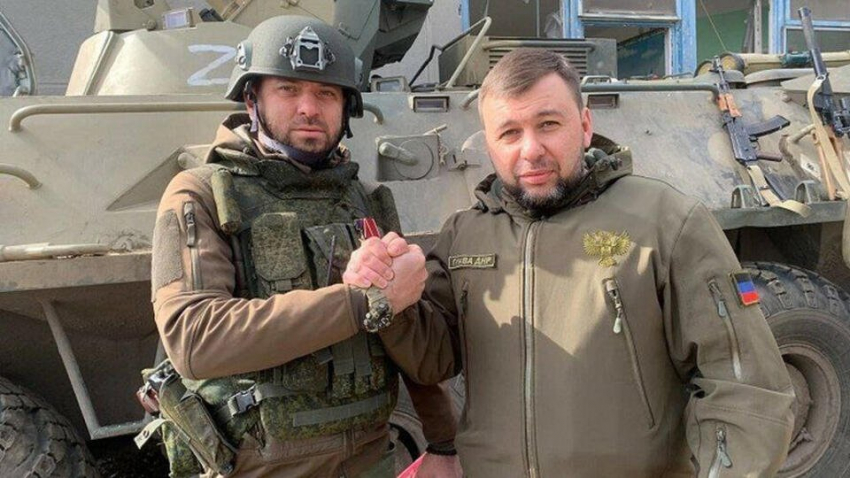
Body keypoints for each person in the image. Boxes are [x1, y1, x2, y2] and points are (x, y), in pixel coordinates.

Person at [344, 48, 796, 477]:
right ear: (489, 144)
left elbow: (745, 387)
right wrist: (389, 296)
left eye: (548, 124)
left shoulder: (666, 221)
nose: (530, 150)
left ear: (584, 124)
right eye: (509, 133)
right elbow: (433, 360)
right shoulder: (465, 233)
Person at [149, 15, 459, 478]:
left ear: (346, 107)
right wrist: (362, 301)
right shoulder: (200, 193)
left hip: (369, 460)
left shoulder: (365, 199)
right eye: (288, 90)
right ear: (252, 99)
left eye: (326, 94)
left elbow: (409, 341)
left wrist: (443, 442)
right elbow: (194, 339)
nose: (309, 108)